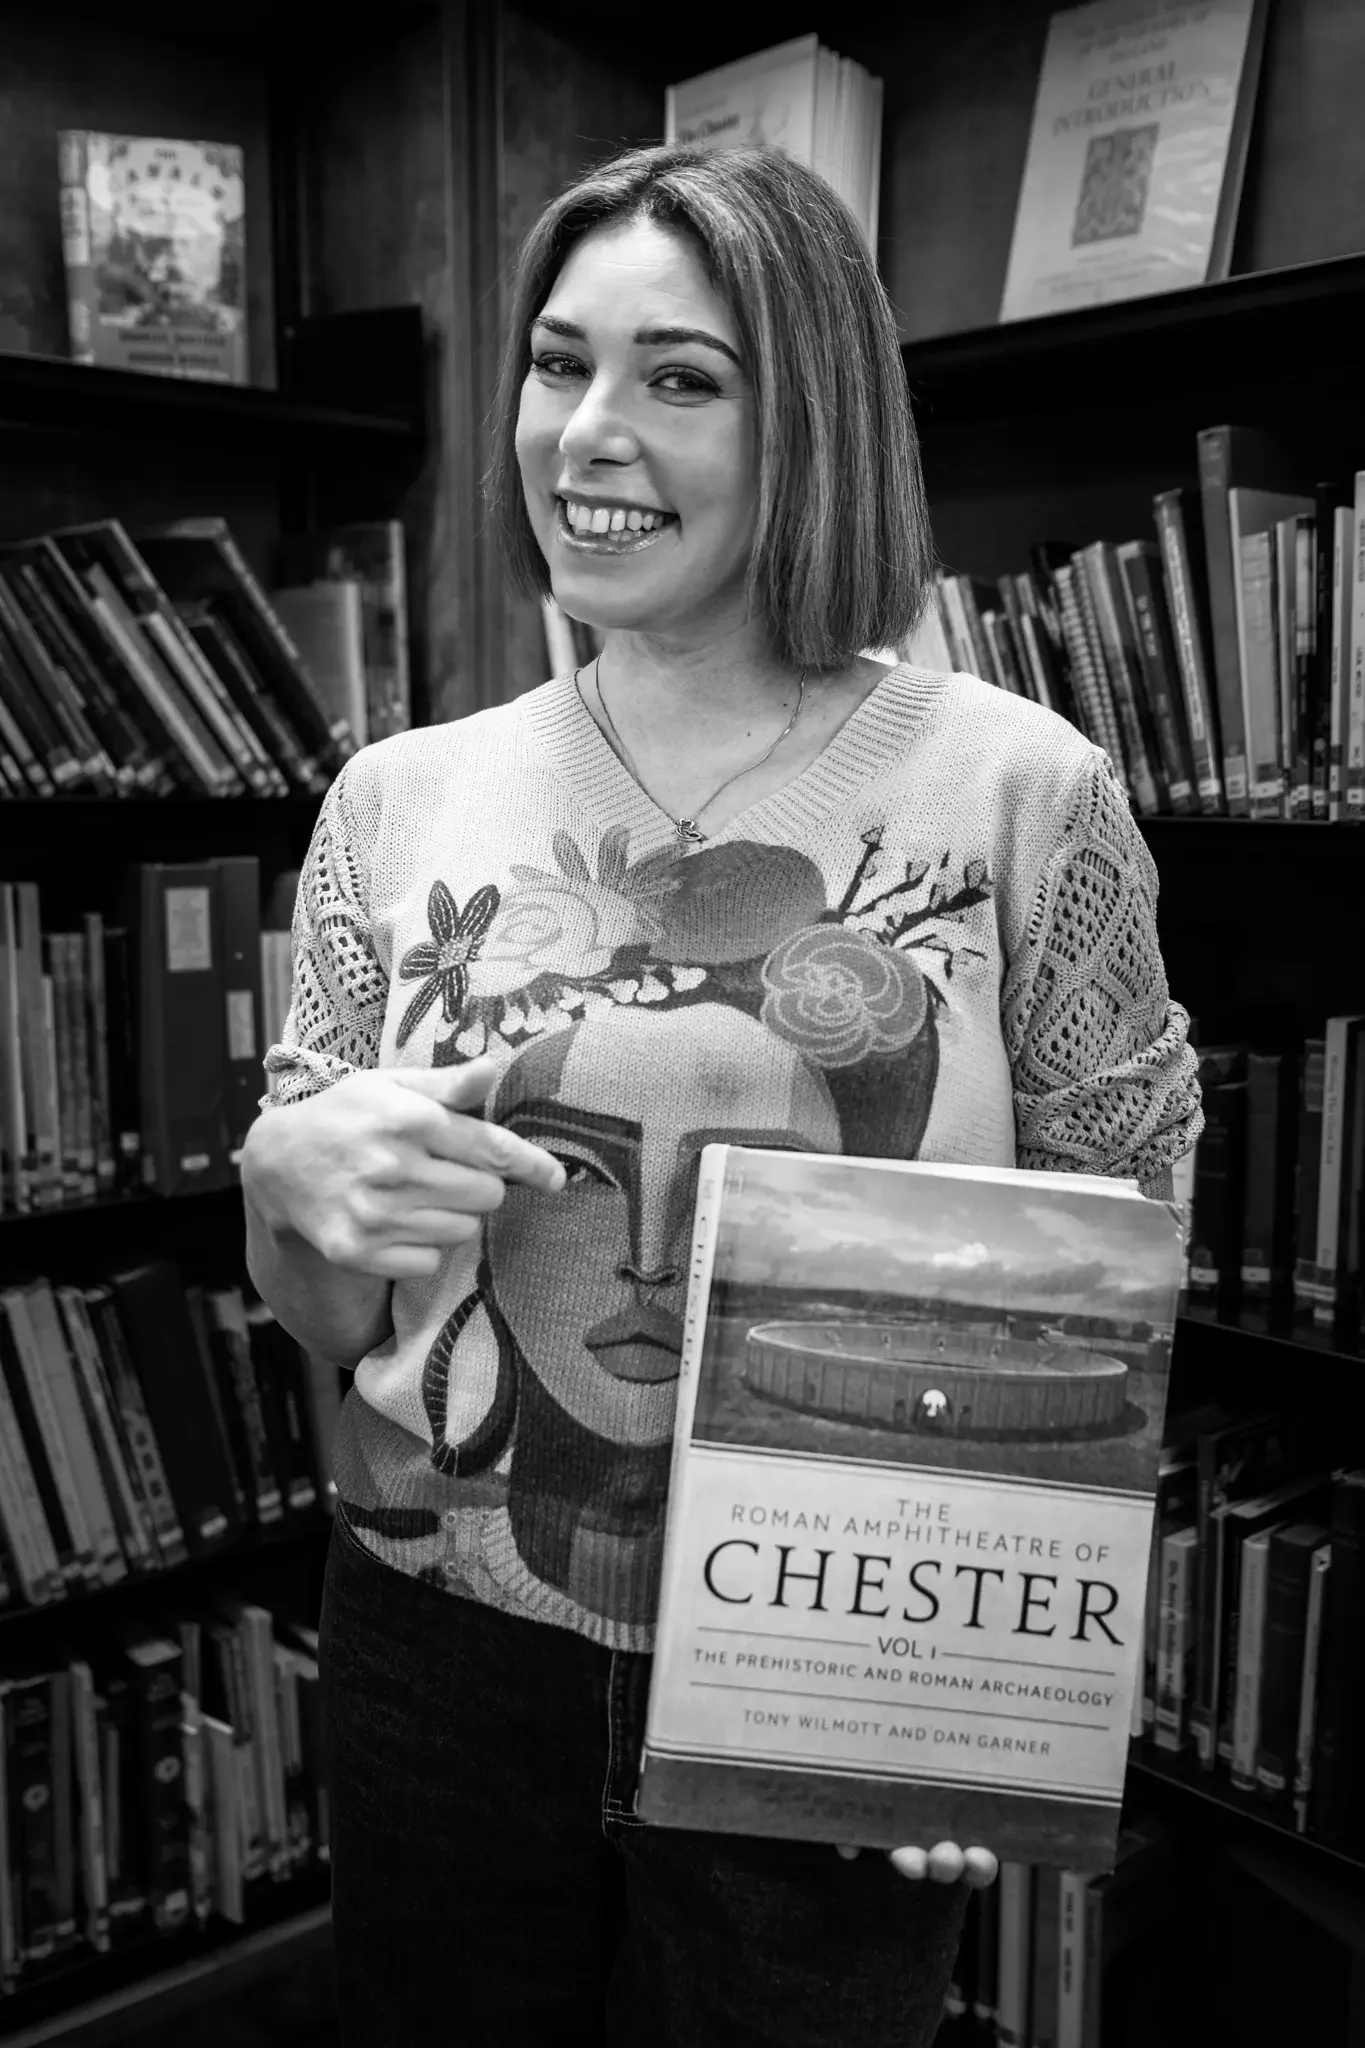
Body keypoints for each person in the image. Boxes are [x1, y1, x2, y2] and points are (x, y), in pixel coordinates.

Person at [241, 142, 1202, 2047]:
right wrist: (282, 1198)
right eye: (556, 362)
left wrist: (982, 1686)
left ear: (814, 417)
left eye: (681, 377)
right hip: (440, 1652)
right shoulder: (396, 797)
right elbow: (336, 1321)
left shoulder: (1022, 791)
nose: (587, 433)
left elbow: (1120, 1261)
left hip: (821, 1673)